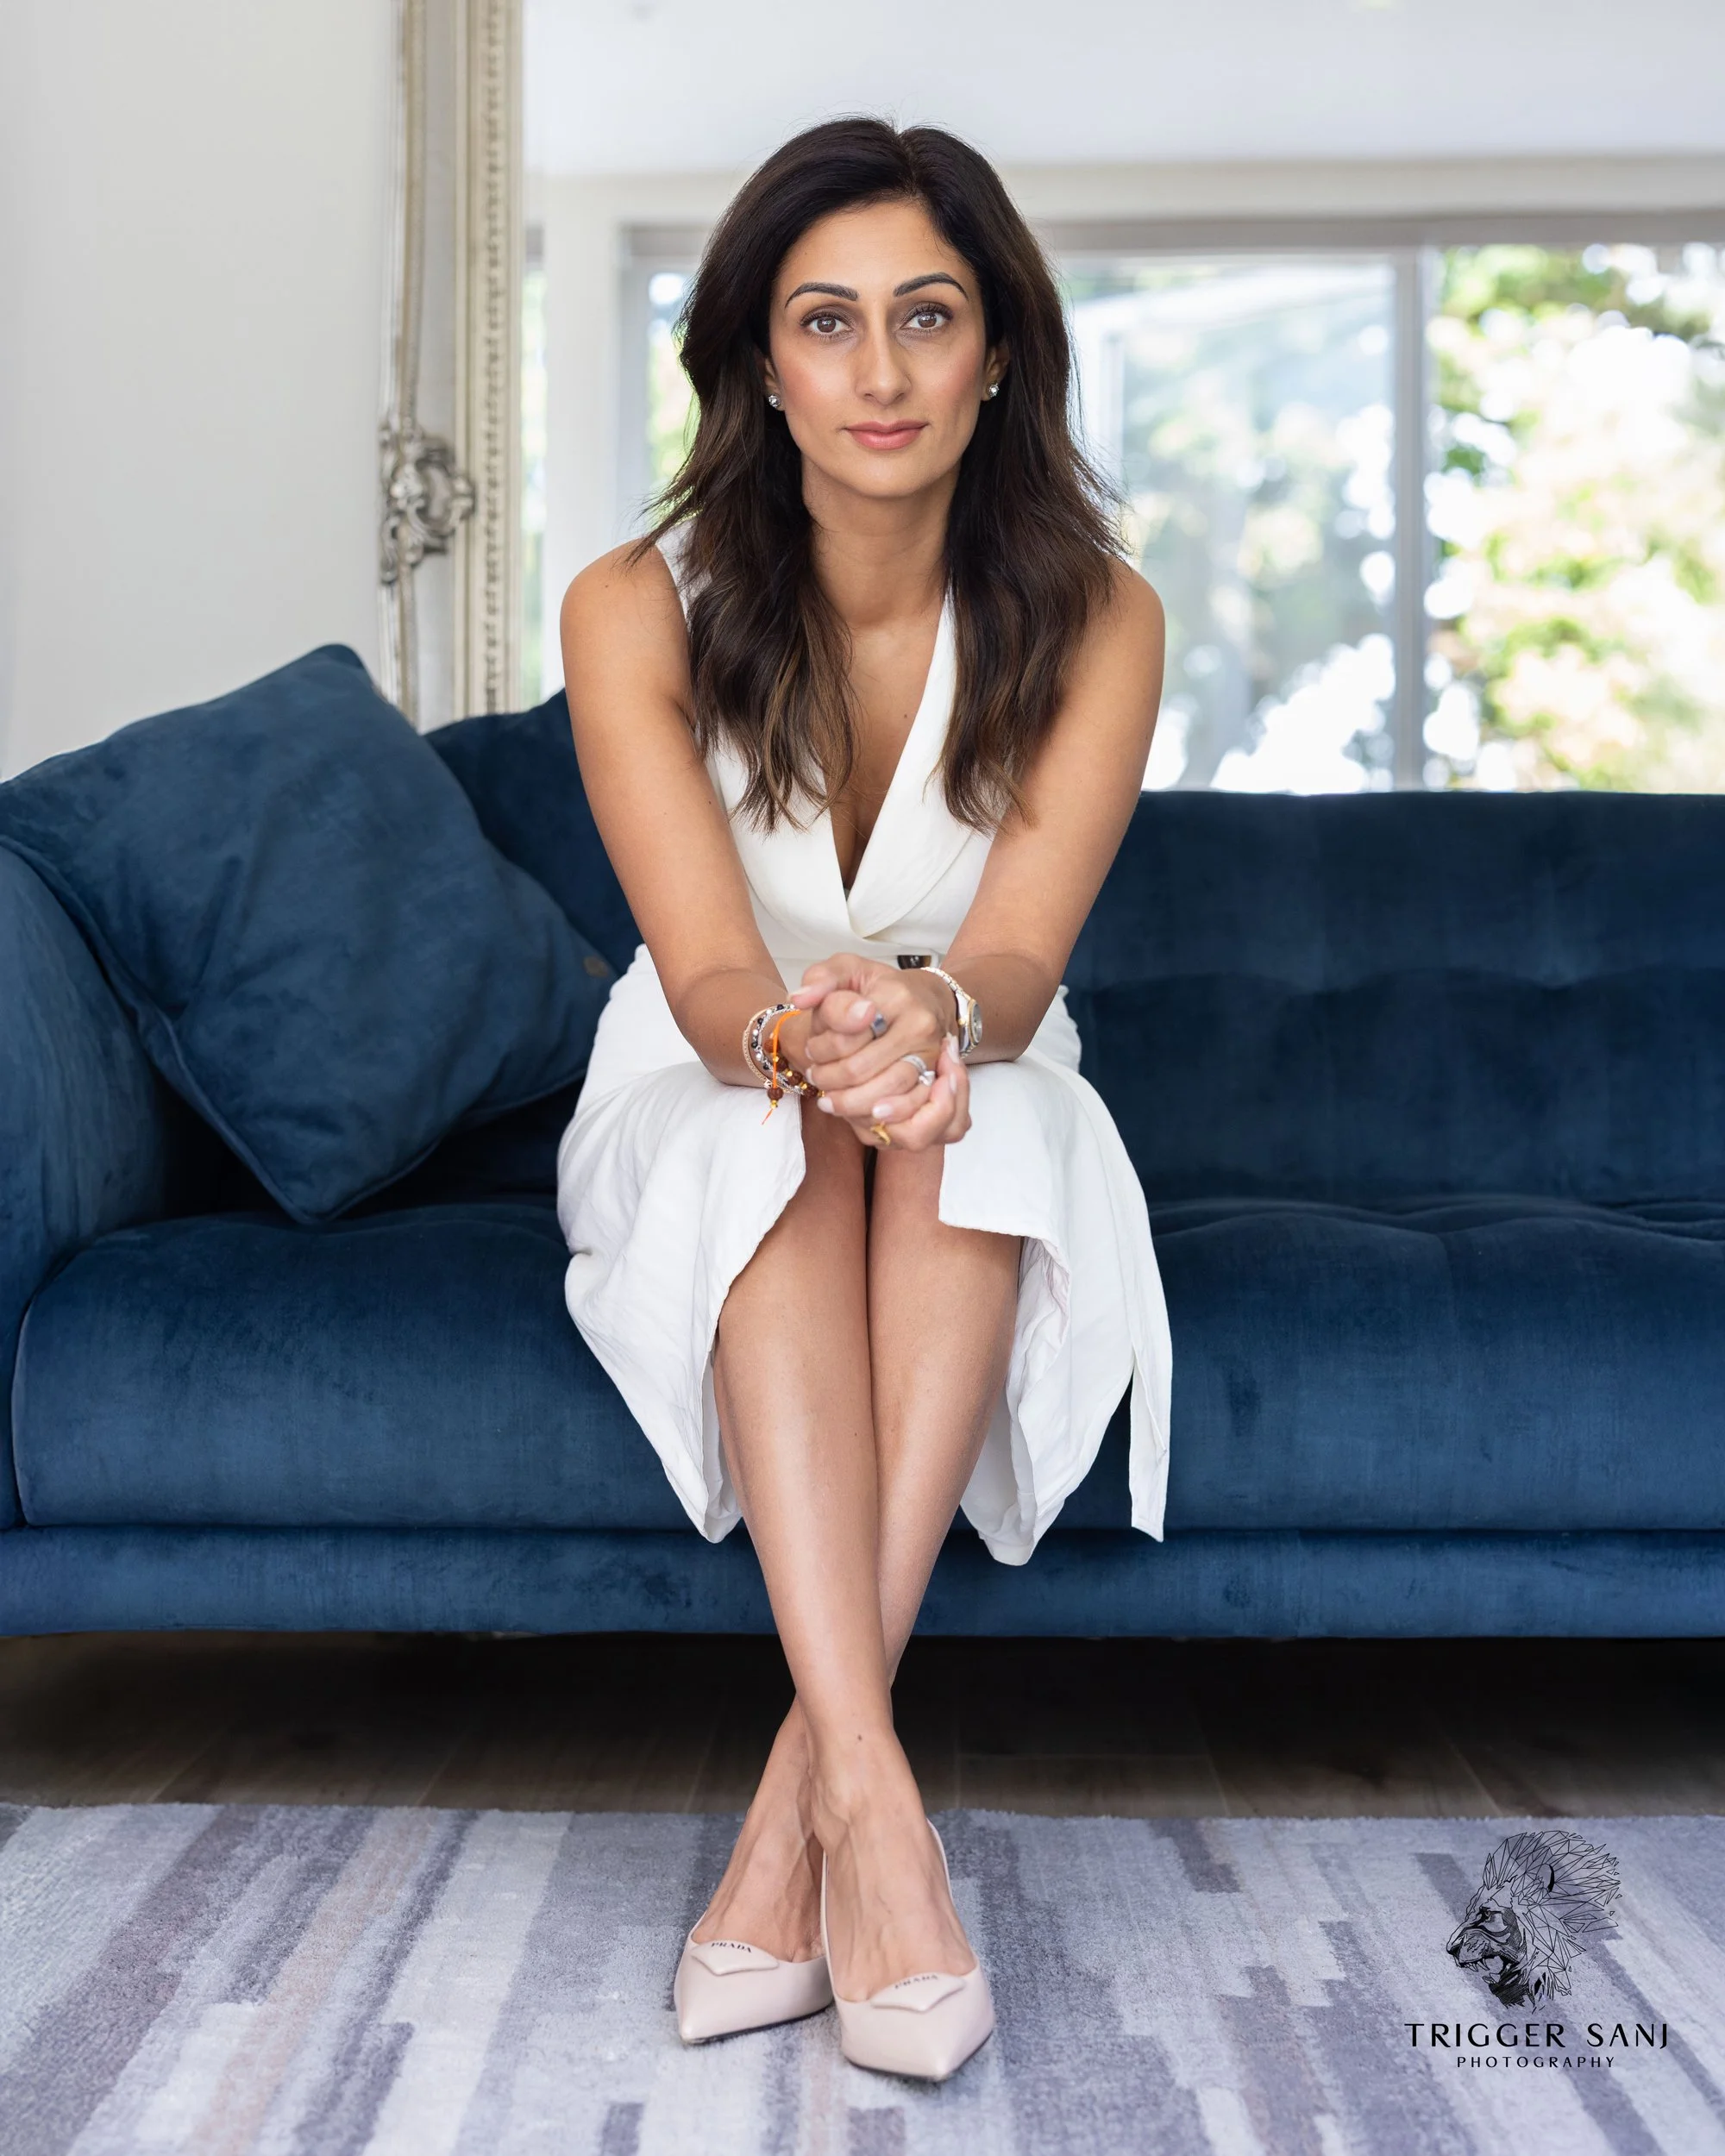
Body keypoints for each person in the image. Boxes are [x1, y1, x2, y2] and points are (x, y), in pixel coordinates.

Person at [555, 116, 1170, 2083]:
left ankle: (805, 1812)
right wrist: (805, 1043)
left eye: (928, 316)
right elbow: (705, 964)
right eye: (827, 322)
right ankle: (883, 1821)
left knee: (989, 1122)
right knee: (782, 1135)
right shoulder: (629, 605)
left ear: (1001, 352)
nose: (881, 371)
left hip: (973, 1052)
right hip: (703, 1057)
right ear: (758, 360)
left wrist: (924, 1018)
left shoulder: (1099, 614)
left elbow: (1016, 961)